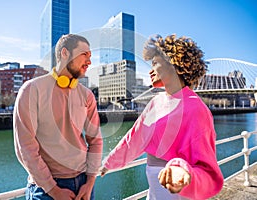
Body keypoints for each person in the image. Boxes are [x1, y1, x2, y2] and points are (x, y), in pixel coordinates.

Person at [100, 34, 224, 200]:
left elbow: (207, 171)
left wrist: (182, 170)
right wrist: (108, 163)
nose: (150, 71)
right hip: (154, 192)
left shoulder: (196, 109)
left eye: (155, 63)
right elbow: (134, 138)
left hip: (180, 193)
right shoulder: (155, 102)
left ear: (174, 64)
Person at [13, 34, 103, 200]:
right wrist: (53, 190)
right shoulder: (31, 90)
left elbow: (96, 141)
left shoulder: (87, 95)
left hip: (84, 185)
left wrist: (90, 182)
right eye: (85, 54)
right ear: (64, 53)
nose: (90, 62)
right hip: (45, 190)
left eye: (90, 56)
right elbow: (25, 148)